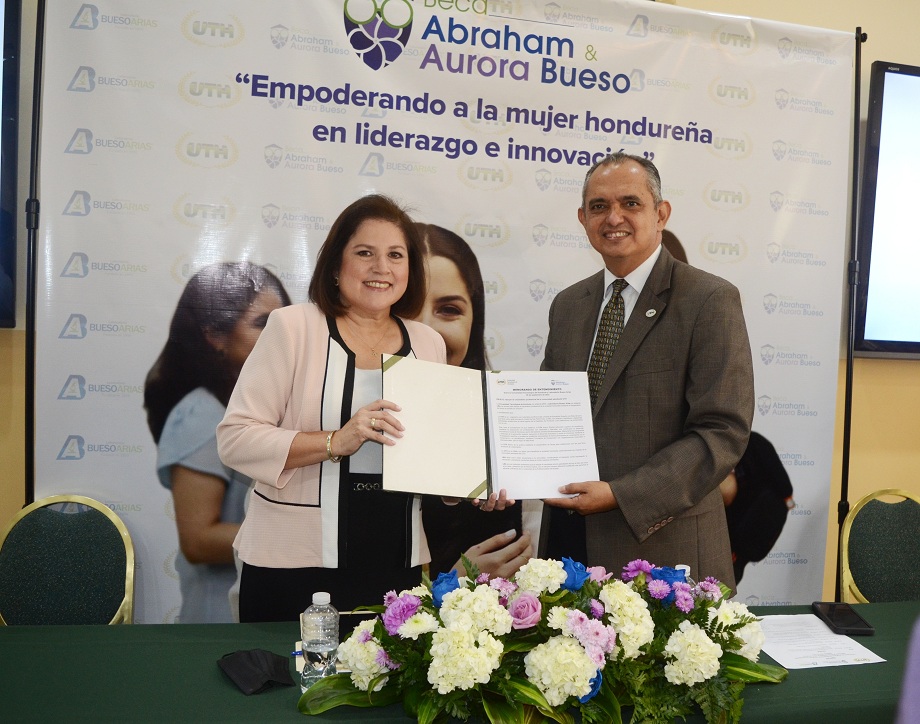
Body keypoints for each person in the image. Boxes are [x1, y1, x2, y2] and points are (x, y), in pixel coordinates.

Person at [216, 195, 510, 623]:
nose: (381, 268)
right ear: (336, 266)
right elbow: (235, 439)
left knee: (381, 685)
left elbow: (432, 461)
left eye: (395, 255)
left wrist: (473, 484)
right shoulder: (294, 327)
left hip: (395, 560)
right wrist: (338, 440)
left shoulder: (427, 343)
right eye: (365, 253)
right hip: (293, 564)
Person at [540, 152, 754, 589]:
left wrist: (620, 495)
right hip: (568, 549)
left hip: (664, 557)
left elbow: (721, 432)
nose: (613, 217)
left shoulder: (709, 300)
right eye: (599, 206)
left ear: (661, 214)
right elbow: (548, 415)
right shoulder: (568, 306)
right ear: (583, 218)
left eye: (630, 203)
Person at [144, 262, 291, 623]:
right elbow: (197, 540)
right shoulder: (201, 413)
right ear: (216, 336)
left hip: (270, 611)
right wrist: (300, 533)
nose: (281, 337)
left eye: (283, 325)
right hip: (219, 625)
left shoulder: (268, 406)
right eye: (263, 324)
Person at [413, 223, 532, 579]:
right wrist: (454, 582)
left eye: (448, 310)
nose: (427, 331)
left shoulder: (504, 430)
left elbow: (512, 569)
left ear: (474, 320)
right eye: (405, 308)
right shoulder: (339, 423)